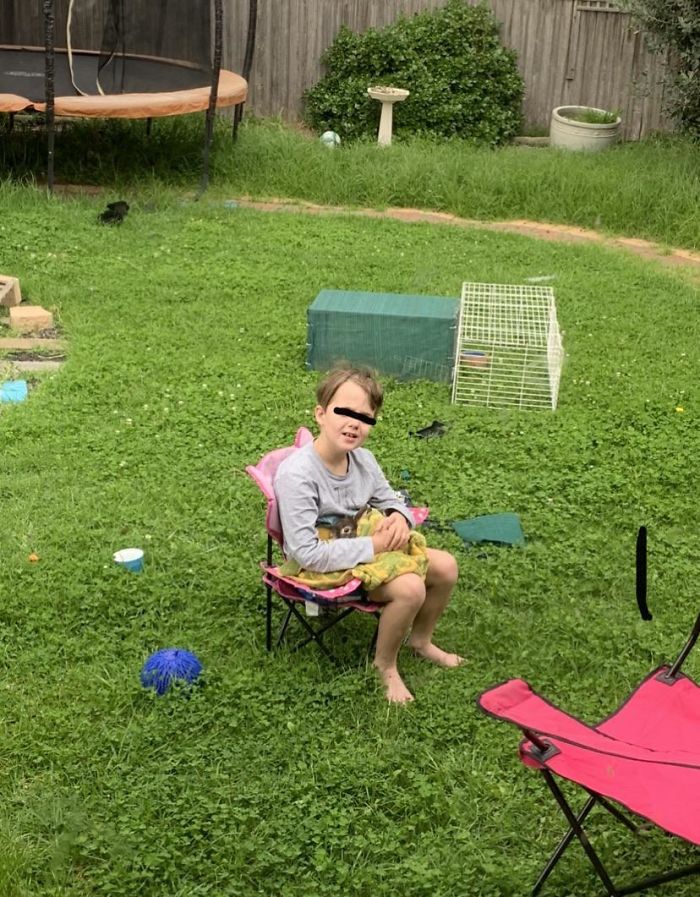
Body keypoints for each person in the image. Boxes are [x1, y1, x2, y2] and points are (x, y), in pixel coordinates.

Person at [274, 365, 462, 703]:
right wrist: (374, 544)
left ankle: (421, 641)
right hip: (319, 563)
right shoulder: (297, 475)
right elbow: (307, 553)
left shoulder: (364, 460)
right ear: (320, 414)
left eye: (364, 417)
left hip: (359, 542)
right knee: (410, 588)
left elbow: (392, 500)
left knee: (446, 566)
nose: (353, 423)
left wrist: (400, 518)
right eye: (343, 412)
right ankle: (384, 665)